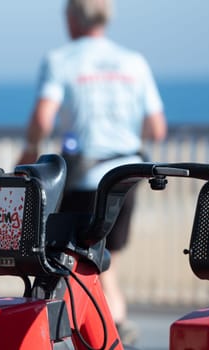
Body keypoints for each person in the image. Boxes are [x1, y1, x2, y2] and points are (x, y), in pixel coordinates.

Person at [18, 0, 167, 344]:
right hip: (127, 173)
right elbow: (157, 128)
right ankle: (116, 321)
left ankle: (103, 326)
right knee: (102, 256)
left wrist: (28, 152)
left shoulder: (61, 60)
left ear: (72, 18)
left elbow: (43, 119)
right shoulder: (134, 61)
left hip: (85, 175)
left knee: (77, 257)